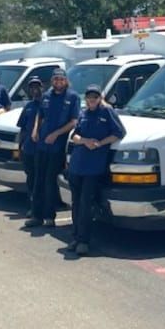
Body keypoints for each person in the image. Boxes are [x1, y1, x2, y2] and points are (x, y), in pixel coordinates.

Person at [66, 84, 126, 255]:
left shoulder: (107, 113)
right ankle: (76, 237)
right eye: (89, 97)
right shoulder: (83, 113)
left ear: (100, 98)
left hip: (93, 167)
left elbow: (119, 133)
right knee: (76, 204)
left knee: (86, 204)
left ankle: (84, 241)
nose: (91, 100)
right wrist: (84, 140)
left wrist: (100, 143)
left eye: (95, 97)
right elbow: (74, 135)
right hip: (77, 165)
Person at [25, 68, 80, 228]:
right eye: (55, 79)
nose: (58, 82)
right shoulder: (47, 96)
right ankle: (36, 216)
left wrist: (56, 134)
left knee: (50, 182)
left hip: (57, 147)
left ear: (66, 80)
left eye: (61, 80)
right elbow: (40, 114)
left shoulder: (72, 97)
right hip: (42, 144)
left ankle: (50, 217)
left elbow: (73, 121)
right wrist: (36, 129)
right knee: (38, 181)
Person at [16, 76, 43, 214]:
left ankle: (40, 208)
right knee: (31, 179)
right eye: (32, 87)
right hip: (28, 149)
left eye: (37, 86)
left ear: (42, 87)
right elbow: (22, 128)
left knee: (41, 180)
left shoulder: (46, 105)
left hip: (42, 150)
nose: (34, 90)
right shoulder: (28, 106)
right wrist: (20, 147)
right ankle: (32, 207)